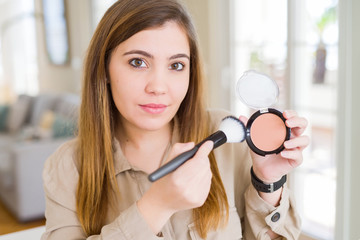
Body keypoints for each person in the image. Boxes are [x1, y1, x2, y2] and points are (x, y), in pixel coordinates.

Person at [41, 0, 309, 239]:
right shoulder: (67, 168)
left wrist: (267, 181)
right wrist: (157, 206)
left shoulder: (226, 136)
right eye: (137, 62)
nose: (158, 86)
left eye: (176, 65)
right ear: (105, 69)